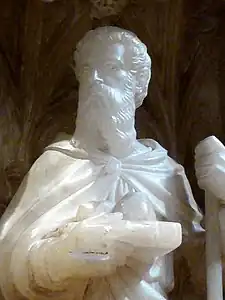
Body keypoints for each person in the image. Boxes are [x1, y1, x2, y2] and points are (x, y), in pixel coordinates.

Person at [0, 26, 202, 300]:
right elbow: (8, 258)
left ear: (138, 86)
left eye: (111, 68)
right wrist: (62, 256)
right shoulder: (55, 164)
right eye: (86, 71)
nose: (94, 81)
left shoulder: (165, 172)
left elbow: (203, 269)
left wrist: (221, 202)